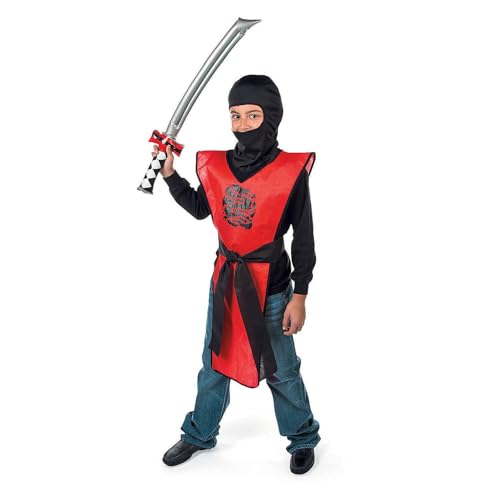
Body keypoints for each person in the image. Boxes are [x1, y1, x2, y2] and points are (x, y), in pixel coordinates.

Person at [159, 75, 320, 474]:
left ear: (271, 118)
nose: (242, 124)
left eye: (252, 115)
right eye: (235, 115)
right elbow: (201, 208)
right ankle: (199, 432)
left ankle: (302, 437)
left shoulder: (290, 172)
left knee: (282, 369)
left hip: (273, 289)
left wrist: (300, 295)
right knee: (214, 362)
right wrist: (171, 176)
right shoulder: (216, 167)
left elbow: (303, 238)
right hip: (226, 282)